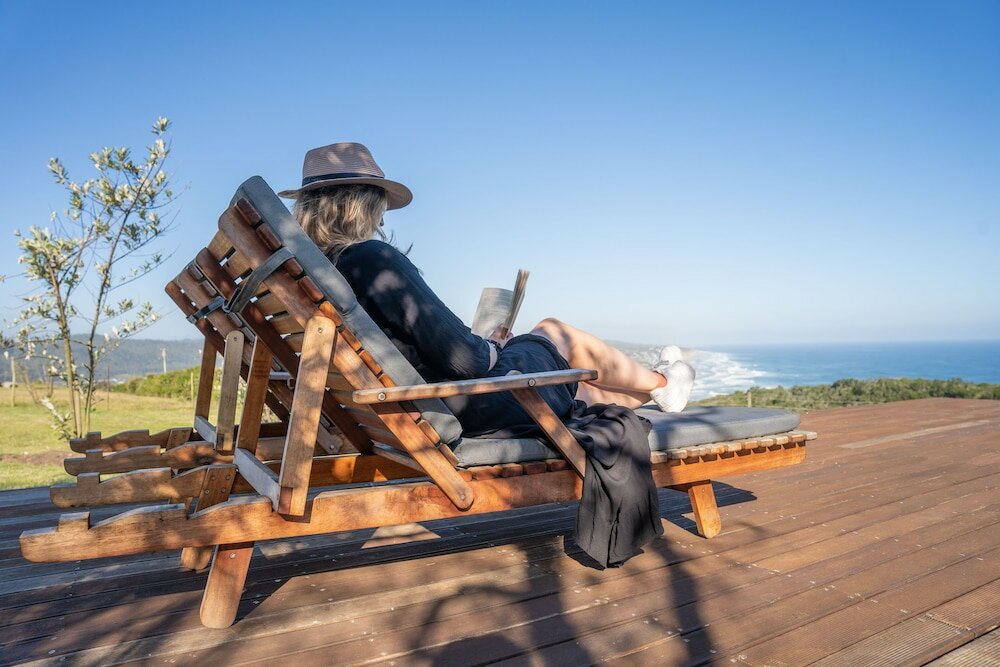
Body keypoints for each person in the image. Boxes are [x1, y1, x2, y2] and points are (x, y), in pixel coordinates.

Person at [279, 142, 696, 437]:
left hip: (411, 405)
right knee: (553, 332)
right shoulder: (371, 260)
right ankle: (663, 383)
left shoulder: (319, 271)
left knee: (573, 381)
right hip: (461, 402)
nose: (383, 219)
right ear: (364, 204)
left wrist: (487, 346)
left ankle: (658, 390)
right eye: (379, 207)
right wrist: (491, 348)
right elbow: (465, 362)